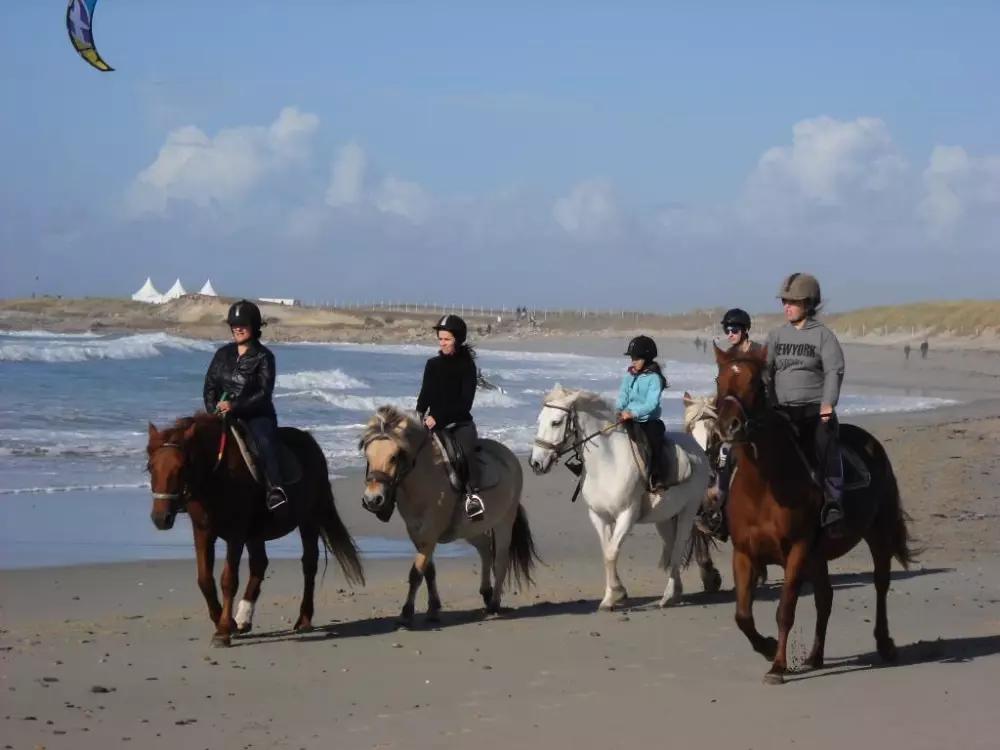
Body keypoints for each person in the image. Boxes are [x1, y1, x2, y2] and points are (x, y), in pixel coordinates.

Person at [766, 272, 847, 537]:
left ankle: (833, 502)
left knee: (826, 445)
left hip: (814, 409)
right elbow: (765, 372)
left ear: (809, 304)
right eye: (784, 302)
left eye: (793, 301)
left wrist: (828, 404)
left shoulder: (823, 336)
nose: (787, 306)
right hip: (782, 411)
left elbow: (834, 371)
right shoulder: (776, 335)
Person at [203, 299, 287, 512]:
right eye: (234, 325)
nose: (238, 329)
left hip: (256, 415)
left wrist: (234, 406)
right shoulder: (222, 354)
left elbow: (263, 393)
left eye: (243, 325)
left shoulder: (265, 357)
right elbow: (210, 385)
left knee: (265, 442)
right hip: (222, 414)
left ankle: (275, 489)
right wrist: (213, 409)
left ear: (255, 327)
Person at [415, 314, 484, 521]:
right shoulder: (432, 364)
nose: (442, 343)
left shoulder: (467, 367)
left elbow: (465, 403)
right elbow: (425, 393)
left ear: (458, 339)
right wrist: (419, 412)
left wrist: (438, 416)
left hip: (460, 424)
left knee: (461, 457)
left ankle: (471, 497)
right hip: (433, 424)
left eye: (447, 339)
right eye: (440, 339)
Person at [614, 335, 670, 490]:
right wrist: (618, 409)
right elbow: (623, 396)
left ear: (647, 358)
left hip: (648, 421)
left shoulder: (654, 378)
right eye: (632, 358)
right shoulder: (628, 375)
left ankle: (656, 476)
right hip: (627, 416)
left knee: (652, 443)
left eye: (637, 358)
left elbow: (651, 403)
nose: (633, 361)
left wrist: (634, 413)